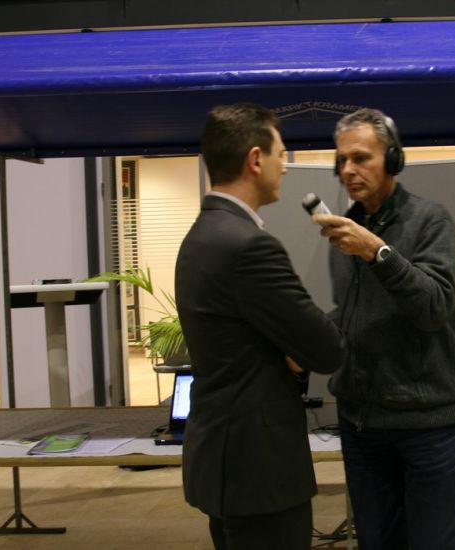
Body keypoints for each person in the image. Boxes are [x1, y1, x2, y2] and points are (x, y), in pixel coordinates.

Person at [175, 102, 345, 550]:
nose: (285, 166)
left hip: (221, 461)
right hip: (259, 470)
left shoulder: (200, 236)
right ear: (255, 159)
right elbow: (326, 350)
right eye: (281, 154)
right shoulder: (251, 246)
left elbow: (241, 340)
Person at [314, 108, 455, 549]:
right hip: (362, 424)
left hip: (427, 425)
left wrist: (378, 253)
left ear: (394, 159)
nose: (348, 170)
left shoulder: (430, 220)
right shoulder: (347, 229)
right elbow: (352, 312)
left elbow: (434, 308)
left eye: (361, 158)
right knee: (377, 541)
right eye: (341, 160)